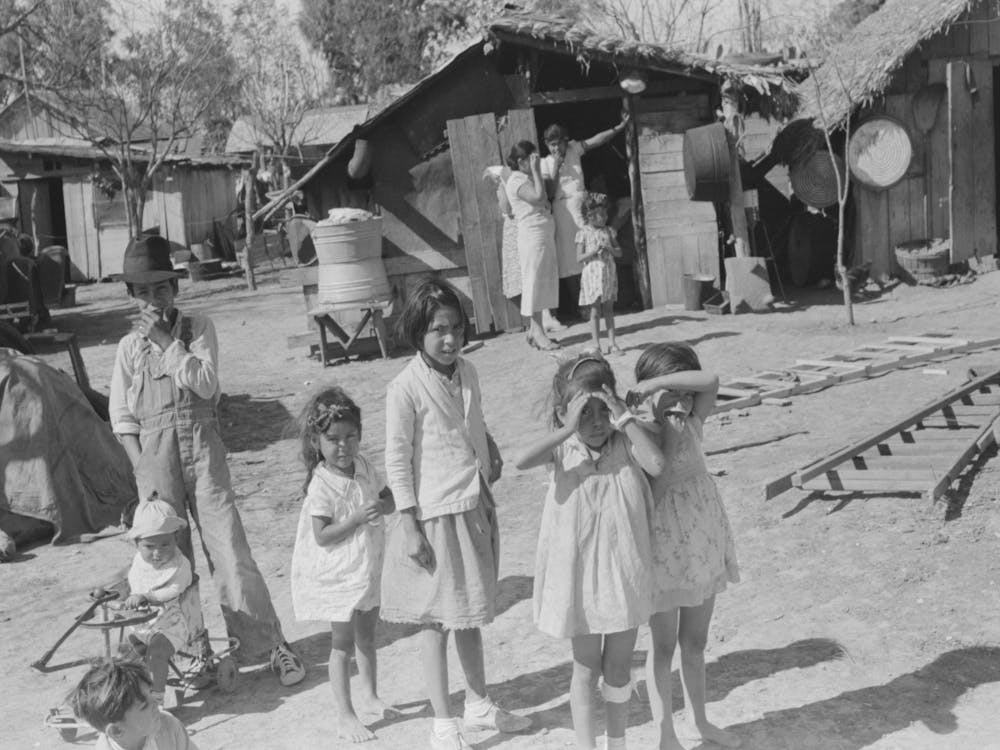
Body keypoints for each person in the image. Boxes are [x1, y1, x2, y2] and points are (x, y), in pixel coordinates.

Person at [108, 235, 305, 687]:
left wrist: (166, 342)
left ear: (174, 289)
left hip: (203, 450)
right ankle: (194, 654)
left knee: (230, 549)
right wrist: (143, 469)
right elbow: (122, 418)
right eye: (144, 292)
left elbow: (208, 386)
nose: (154, 300)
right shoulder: (126, 349)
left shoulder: (198, 329)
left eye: (162, 289)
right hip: (154, 461)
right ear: (133, 296)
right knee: (172, 560)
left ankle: (269, 645)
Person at [381, 278, 531, 749]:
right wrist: (410, 527)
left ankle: (479, 703)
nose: (450, 339)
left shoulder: (467, 371)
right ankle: (443, 722)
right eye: (439, 330)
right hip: (434, 514)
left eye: (457, 328)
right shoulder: (403, 388)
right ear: (418, 333)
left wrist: (488, 448)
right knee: (436, 622)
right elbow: (397, 459)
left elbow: (473, 420)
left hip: (473, 502)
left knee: (468, 615)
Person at [514, 353, 664, 750]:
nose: (596, 422)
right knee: (585, 667)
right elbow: (520, 461)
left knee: (617, 668)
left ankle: (618, 743)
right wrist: (566, 429)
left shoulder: (625, 444)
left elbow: (658, 463)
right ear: (566, 412)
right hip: (579, 581)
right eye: (585, 413)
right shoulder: (563, 452)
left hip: (623, 576)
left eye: (603, 410)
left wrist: (624, 418)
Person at [627, 342, 741, 750]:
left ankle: (701, 721)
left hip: (702, 544)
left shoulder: (695, 420)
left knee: (695, 643)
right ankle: (665, 735)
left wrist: (659, 382)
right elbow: (652, 495)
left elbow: (710, 380)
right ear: (645, 396)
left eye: (682, 390)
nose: (678, 400)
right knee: (662, 646)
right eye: (667, 392)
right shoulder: (639, 434)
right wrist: (655, 407)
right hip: (664, 551)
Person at [291, 386, 398, 742]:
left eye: (351, 437)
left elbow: (389, 499)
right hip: (339, 574)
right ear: (316, 441)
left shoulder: (365, 465)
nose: (343, 446)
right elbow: (322, 536)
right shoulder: (321, 484)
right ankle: (345, 714)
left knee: (368, 635)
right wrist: (354, 520)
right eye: (333, 439)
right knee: (342, 644)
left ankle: (369, 695)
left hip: (368, 566)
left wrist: (382, 506)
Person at [540, 117, 629, 328]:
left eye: (558, 143)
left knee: (595, 249)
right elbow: (550, 192)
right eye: (551, 144)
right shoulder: (545, 163)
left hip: (583, 204)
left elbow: (596, 140)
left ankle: (598, 300)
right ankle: (582, 307)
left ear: (565, 140)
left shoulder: (573, 149)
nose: (556, 148)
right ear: (547, 145)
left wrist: (618, 128)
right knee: (571, 259)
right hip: (563, 209)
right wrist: (556, 166)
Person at [115, 495, 195, 706]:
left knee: (156, 654)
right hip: (142, 625)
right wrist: (119, 596)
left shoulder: (180, 564)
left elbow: (175, 589)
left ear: (175, 538)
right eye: (149, 547)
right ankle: (130, 695)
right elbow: (132, 582)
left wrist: (147, 597)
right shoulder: (139, 562)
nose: (158, 553)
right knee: (124, 655)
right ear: (137, 544)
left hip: (170, 625)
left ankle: (158, 696)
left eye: (165, 544)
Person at [504, 142, 560, 351]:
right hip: (532, 235)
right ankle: (537, 332)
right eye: (531, 158)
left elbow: (542, 198)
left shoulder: (527, 178)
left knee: (543, 280)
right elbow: (538, 197)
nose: (535, 161)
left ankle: (535, 331)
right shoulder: (517, 179)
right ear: (521, 161)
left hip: (542, 231)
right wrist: (536, 171)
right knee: (534, 282)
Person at [68, 659, 199, 750]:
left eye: (151, 693)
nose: (157, 703)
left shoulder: (169, 727)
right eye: (143, 706)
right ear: (116, 730)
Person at [576, 193, 623, 355]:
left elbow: (619, 252)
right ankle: (596, 344)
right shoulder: (583, 233)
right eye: (600, 215)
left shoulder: (609, 231)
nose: (605, 217)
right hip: (592, 276)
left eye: (605, 214)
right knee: (595, 311)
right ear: (590, 216)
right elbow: (578, 257)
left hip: (608, 274)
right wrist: (593, 251)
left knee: (609, 309)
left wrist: (609, 248)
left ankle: (612, 343)